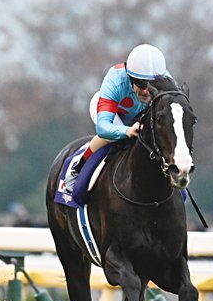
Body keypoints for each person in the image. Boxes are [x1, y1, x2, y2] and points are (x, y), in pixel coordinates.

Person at [64, 44, 170, 193]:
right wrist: (127, 131)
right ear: (130, 79)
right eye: (141, 84)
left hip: (141, 114)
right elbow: (103, 128)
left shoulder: (167, 82)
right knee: (112, 138)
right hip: (112, 111)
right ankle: (78, 168)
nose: (147, 91)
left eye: (152, 84)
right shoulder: (115, 79)